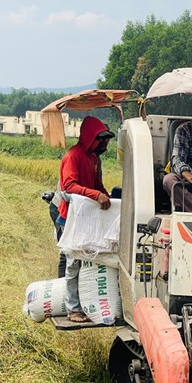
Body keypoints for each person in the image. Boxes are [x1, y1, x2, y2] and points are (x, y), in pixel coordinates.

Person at [57, 115, 114, 323]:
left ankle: (89, 304)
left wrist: (109, 198)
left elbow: (98, 185)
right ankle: (72, 309)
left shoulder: (93, 158)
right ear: (91, 138)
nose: (106, 143)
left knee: (89, 260)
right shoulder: (73, 156)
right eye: (103, 139)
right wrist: (95, 195)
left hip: (87, 219)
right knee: (73, 263)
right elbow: (69, 186)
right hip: (70, 219)